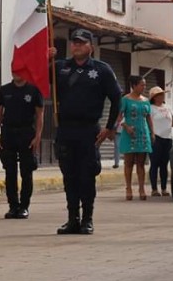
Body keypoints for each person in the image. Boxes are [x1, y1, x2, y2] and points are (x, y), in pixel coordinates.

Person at [51, 28, 122, 235]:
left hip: (88, 131)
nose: (76, 46)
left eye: (81, 43)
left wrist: (110, 128)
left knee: (86, 176)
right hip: (65, 130)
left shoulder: (102, 70)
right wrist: (45, 58)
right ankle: (72, 219)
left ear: (91, 46)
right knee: (69, 176)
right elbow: (35, 77)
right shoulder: (60, 68)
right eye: (74, 42)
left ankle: (87, 219)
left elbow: (117, 98)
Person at [0, 72, 44, 219]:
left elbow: (40, 114)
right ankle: (13, 206)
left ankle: (24, 206)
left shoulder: (33, 90)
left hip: (27, 133)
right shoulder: (4, 90)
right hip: (8, 133)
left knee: (26, 171)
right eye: (14, 69)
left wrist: (38, 136)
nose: (16, 73)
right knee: (10, 171)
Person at [115, 76, 155, 200]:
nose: (144, 87)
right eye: (142, 85)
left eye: (144, 85)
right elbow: (119, 117)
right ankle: (128, 188)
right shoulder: (125, 100)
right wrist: (125, 126)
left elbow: (148, 117)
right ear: (134, 85)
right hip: (129, 133)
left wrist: (152, 132)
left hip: (143, 133)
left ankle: (142, 188)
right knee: (129, 162)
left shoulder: (145, 100)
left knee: (141, 163)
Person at [148, 86, 173, 197]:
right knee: (154, 163)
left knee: (164, 164)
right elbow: (148, 122)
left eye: (162, 94)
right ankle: (154, 188)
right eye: (159, 95)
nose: (161, 96)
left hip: (168, 138)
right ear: (154, 97)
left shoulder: (168, 108)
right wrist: (152, 133)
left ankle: (164, 188)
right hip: (156, 137)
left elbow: (172, 122)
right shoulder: (150, 108)